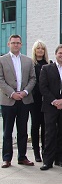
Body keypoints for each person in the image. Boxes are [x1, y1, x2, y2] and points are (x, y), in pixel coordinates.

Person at [0, 35, 36, 168]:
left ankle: (22, 157)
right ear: (9, 44)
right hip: (8, 100)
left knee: (23, 131)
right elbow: (0, 80)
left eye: (18, 43)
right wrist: (12, 93)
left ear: (21, 45)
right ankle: (7, 158)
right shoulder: (2, 60)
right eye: (13, 43)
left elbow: (33, 78)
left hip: (24, 100)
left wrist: (25, 92)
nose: (16, 45)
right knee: (7, 131)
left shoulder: (28, 60)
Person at [30, 40, 51, 162]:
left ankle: (45, 150)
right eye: (38, 48)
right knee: (35, 125)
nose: (40, 51)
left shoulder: (48, 64)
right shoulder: (31, 64)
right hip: (35, 99)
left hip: (46, 100)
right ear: (34, 50)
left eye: (42, 49)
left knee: (45, 126)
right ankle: (36, 152)